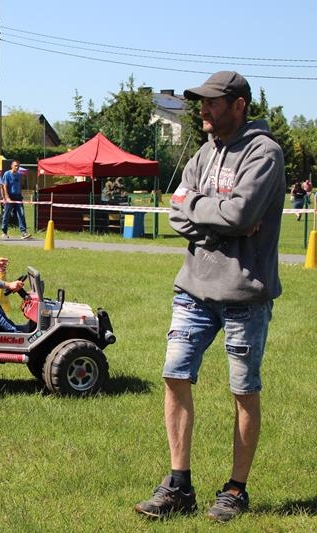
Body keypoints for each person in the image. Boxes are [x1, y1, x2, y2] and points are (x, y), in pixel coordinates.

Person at [134, 71, 285, 523]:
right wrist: (216, 223)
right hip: (193, 288)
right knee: (174, 374)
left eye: (212, 102)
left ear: (239, 105)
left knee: (243, 389)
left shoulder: (264, 152)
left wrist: (204, 210)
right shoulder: (203, 152)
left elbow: (241, 213)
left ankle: (235, 490)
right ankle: (179, 485)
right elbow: (177, 210)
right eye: (201, 102)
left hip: (244, 292)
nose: (203, 109)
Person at [1, 159, 31, 239]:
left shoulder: (18, 174)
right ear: (12, 166)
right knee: (6, 214)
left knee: (21, 213)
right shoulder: (7, 174)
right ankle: (4, 232)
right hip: (9, 196)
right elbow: (4, 186)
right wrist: (6, 197)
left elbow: (18, 186)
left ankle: (23, 232)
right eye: (15, 166)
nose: (17, 167)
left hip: (18, 197)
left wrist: (20, 195)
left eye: (18, 166)